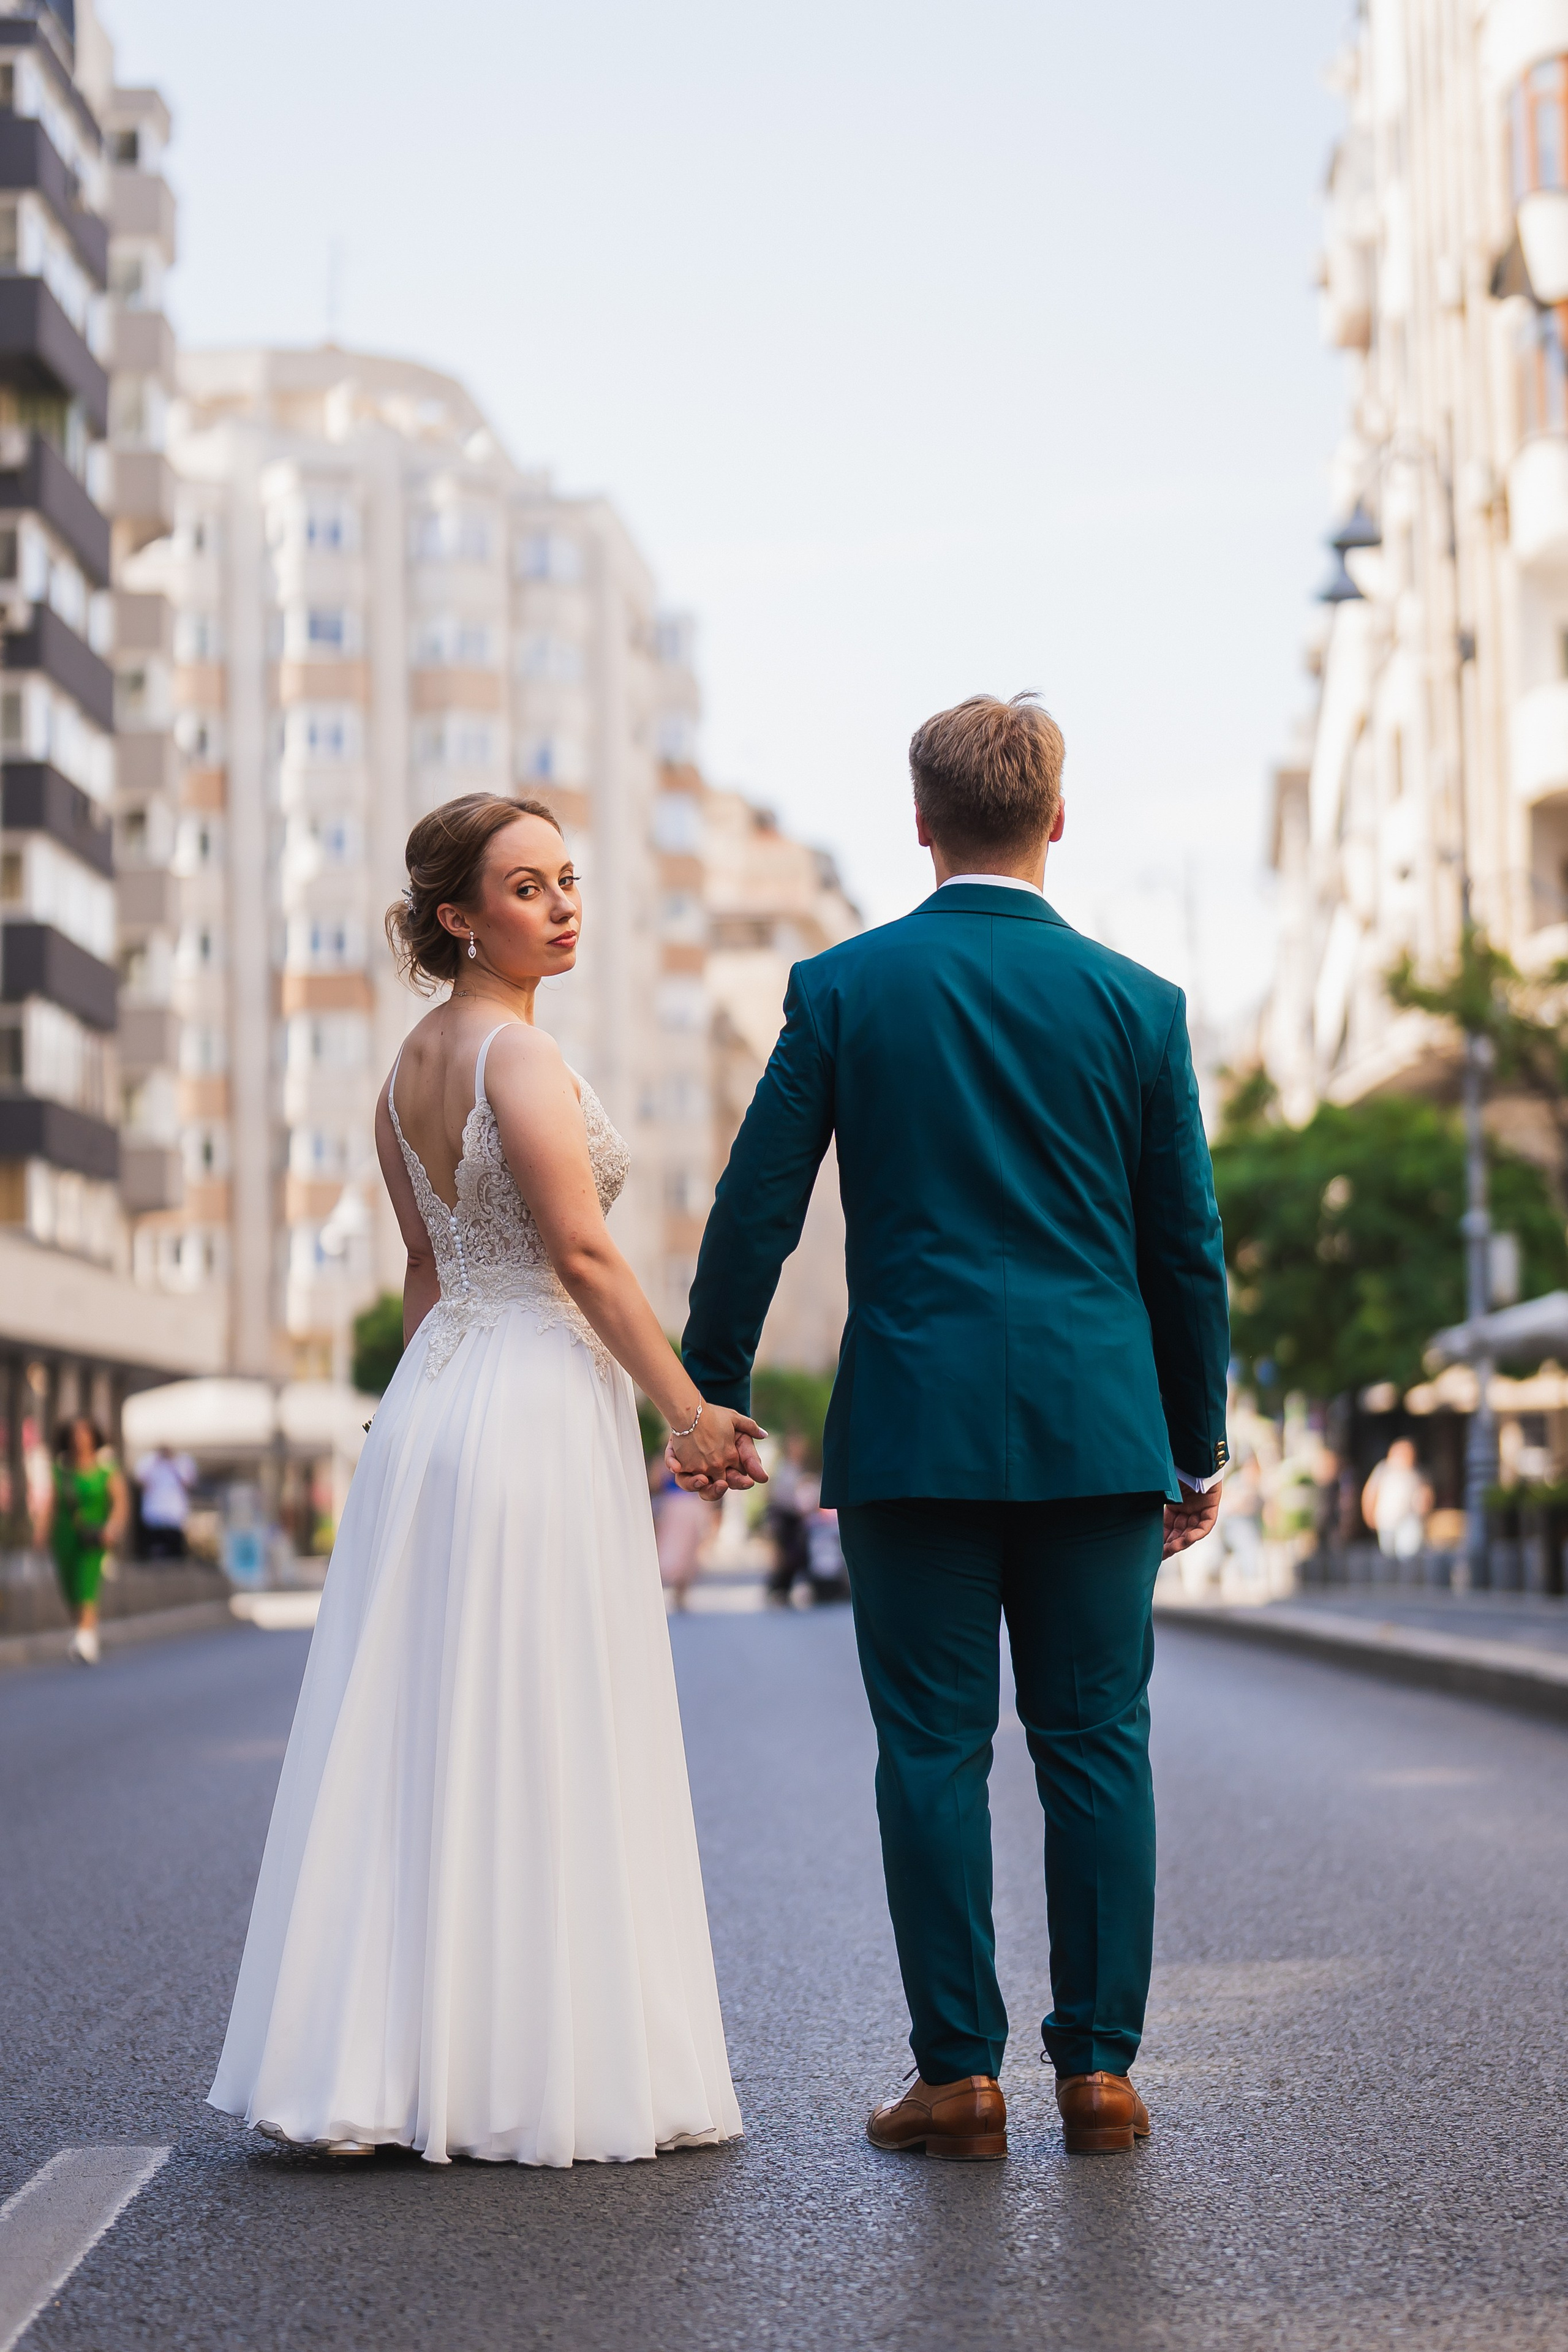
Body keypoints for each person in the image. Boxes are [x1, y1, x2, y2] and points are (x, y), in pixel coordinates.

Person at [676, 694, 1230, 2160]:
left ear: (916, 823)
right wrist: (1198, 1442)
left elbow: (755, 1209)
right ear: (1056, 817)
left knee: (928, 1747)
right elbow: (1184, 1250)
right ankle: (1099, 2071)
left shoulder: (844, 987)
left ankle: (958, 2073)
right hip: (1098, 1426)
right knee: (1096, 1741)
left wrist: (707, 1390)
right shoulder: (1139, 1005)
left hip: (912, 1426)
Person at [209, 793, 757, 2165]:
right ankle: (525, 2065)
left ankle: (389, 2061)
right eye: (526, 887)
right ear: (457, 915)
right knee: (536, 1714)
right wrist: (687, 1412)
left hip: (440, 1399)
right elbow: (579, 1257)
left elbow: (423, 1272)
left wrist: (413, 1412)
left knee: (422, 1724)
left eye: (568, 880)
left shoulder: (402, 1068)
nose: (562, 904)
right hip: (524, 1404)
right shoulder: (515, 1054)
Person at [37, 1417, 129, 1667]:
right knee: (70, 1587)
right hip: (65, 1535)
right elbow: (52, 1504)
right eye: (75, 1434)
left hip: (95, 1534)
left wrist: (113, 1528)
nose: (80, 1439)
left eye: (84, 1433)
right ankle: (85, 1632)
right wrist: (41, 1533)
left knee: (86, 1582)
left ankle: (85, 1639)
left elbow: (120, 1502)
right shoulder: (61, 1470)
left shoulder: (106, 1467)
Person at [650, 1459, 716, 1611]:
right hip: (676, 1508)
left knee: (685, 1551)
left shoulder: (695, 1460)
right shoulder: (666, 1463)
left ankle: (681, 1589)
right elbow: (656, 1483)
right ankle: (678, 1587)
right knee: (677, 1550)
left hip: (684, 1508)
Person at [763, 1430, 812, 1604]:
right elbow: (777, 1495)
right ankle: (776, 1589)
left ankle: (784, 1588)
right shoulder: (784, 1468)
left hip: (795, 1519)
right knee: (784, 1556)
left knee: (796, 1555)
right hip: (783, 1516)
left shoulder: (798, 1468)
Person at [1362, 1437, 1430, 1561]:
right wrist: (1369, 1515)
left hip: (1408, 1520)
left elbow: (1426, 1494)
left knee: (1408, 1554)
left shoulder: (1416, 1473)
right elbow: (1370, 1492)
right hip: (1386, 1520)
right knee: (1388, 1555)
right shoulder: (1383, 1470)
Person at [134, 1445, 196, 1559]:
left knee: (174, 1550)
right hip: (154, 1514)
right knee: (156, 1548)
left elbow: (188, 1483)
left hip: (174, 1515)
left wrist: (172, 1463)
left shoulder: (181, 1462)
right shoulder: (150, 1462)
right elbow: (141, 1481)